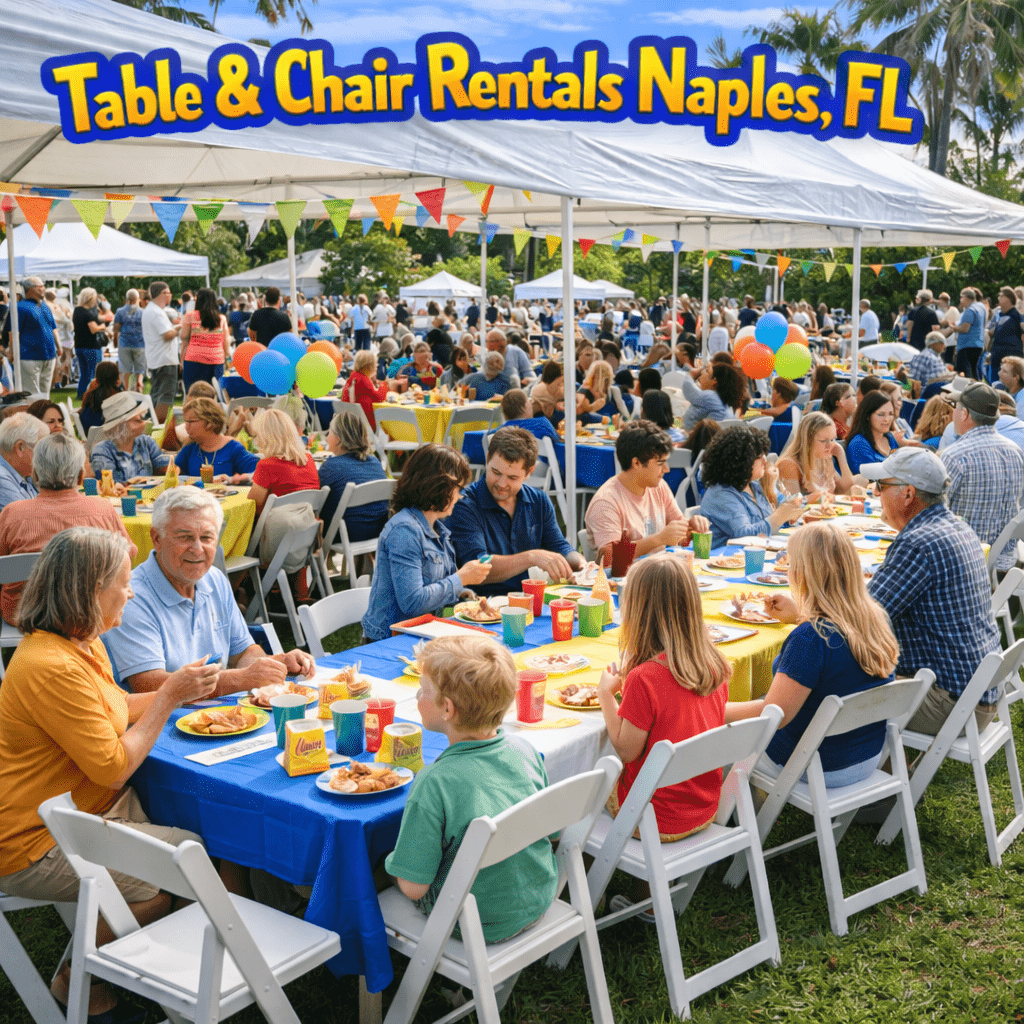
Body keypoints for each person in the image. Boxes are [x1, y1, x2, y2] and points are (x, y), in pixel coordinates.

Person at [0, 527, 222, 1020]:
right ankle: (78, 982)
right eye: (123, 583)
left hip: (82, 809)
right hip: (32, 840)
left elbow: (118, 706)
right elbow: (114, 766)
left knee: (204, 836)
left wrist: (184, 692)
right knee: (179, 869)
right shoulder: (49, 665)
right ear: (89, 591)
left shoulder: (81, 641)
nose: (132, 591)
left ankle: (172, 966)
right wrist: (168, 696)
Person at [385, 635, 557, 940]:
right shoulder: (525, 750)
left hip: (473, 919)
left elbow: (414, 889)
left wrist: (391, 859)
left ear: (448, 709)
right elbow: (552, 834)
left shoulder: (434, 781)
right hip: (537, 899)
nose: (417, 696)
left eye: (423, 690)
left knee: (374, 869)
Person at [724, 523, 899, 786]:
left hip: (816, 764)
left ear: (803, 575)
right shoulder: (874, 618)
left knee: (716, 739)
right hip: (865, 756)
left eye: (791, 564)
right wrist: (800, 616)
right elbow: (836, 646)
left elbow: (774, 715)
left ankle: (726, 811)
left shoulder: (810, 639)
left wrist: (713, 709)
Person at [104, 488, 315, 695]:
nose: (197, 549)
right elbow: (149, 683)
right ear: (156, 538)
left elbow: (243, 652)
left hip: (214, 716)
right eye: (184, 537)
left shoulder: (214, 579)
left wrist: (276, 663)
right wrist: (240, 679)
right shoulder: (132, 597)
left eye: (207, 538)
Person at [863, 448, 1001, 734]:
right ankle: (890, 770)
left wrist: (802, 610)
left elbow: (862, 616)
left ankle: (861, 773)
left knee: (829, 697)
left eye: (881, 485)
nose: (876, 493)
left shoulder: (917, 543)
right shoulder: (956, 526)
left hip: (949, 701)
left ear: (909, 494)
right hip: (977, 691)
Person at [597, 555, 730, 844]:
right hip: (702, 807)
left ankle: (631, 887)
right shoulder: (714, 663)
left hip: (651, 817)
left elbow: (626, 750)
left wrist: (606, 694)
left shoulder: (644, 678)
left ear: (637, 612)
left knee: (585, 783)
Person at [0, 433, 136, 623]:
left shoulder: (11, 514)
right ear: (81, 476)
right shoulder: (102, 509)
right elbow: (128, 553)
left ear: (35, 474)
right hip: (86, 611)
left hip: (24, 614)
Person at [361, 444, 491, 641]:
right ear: (439, 487)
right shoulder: (405, 531)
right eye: (457, 488)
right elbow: (412, 602)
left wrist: (462, 593)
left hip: (422, 633)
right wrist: (461, 578)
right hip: (390, 639)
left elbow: (435, 585)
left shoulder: (438, 529)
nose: (460, 496)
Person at [449, 427, 582, 595]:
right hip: (485, 604)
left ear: (529, 471)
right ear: (488, 458)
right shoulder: (465, 504)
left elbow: (559, 545)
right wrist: (531, 557)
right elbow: (477, 565)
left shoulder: (539, 500)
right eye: (496, 472)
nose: (502, 484)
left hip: (535, 597)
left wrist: (581, 563)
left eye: (512, 478)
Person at [585, 421, 709, 564]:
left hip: (657, 573)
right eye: (660, 463)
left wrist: (692, 527)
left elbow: (680, 537)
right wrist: (659, 539)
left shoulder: (658, 486)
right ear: (636, 463)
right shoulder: (605, 502)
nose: (667, 469)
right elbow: (609, 559)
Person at [940, 381, 1024, 571]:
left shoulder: (955, 455)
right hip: (1006, 562)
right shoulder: (1016, 452)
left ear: (964, 414)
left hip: (961, 562)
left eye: (955, 407)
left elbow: (937, 514)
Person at [700, 425, 805, 548]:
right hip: (727, 559)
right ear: (741, 462)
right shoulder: (721, 494)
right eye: (759, 457)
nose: (765, 461)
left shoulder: (754, 485)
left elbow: (781, 508)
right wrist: (778, 518)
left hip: (756, 555)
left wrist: (790, 513)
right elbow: (743, 535)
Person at [318, 410, 388, 536]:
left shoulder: (330, 467)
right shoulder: (375, 462)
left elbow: (318, 504)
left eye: (330, 432)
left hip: (344, 534)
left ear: (339, 438)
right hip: (377, 531)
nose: (327, 437)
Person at [247, 408, 320, 517]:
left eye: (257, 435)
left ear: (265, 438)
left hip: (275, 531)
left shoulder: (266, 466)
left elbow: (252, 506)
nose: (256, 440)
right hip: (307, 528)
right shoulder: (308, 460)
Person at [90, 392, 169, 484]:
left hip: (149, 495)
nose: (143, 423)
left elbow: (165, 468)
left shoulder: (146, 442)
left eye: (141, 419)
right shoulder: (102, 450)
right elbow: (112, 484)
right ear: (120, 426)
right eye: (137, 421)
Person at [175, 397, 259, 482]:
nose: (186, 426)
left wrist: (237, 478)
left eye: (190, 422)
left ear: (209, 423)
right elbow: (172, 472)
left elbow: (259, 472)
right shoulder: (190, 449)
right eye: (185, 421)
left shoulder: (233, 449)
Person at [776, 411, 857, 499]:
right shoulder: (789, 465)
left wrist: (841, 456)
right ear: (807, 441)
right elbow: (793, 505)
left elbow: (846, 490)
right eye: (823, 441)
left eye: (832, 439)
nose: (829, 446)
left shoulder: (823, 458)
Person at [0, 277, 57, 395]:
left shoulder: (45, 306)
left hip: (48, 354)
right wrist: (12, 351)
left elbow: (53, 328)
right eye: (39, 287)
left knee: (45, 391)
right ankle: (32, 413)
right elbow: (13, 332)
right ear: (29, 289)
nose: (43, 289)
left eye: (43, 286)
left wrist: (59, 348)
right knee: (31, 393)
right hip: (29, 355)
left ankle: (43, 412)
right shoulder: (19, 307)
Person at [142, 281, 183, 425]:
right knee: (166, 395)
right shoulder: (156, 312)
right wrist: (179, 328)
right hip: (164, 359)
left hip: (158, 358)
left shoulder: (152, 310)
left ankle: (149, 423)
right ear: (163, 294)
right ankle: (158, 426)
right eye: (169, 292)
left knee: (156, 394)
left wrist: (175, 327)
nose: (171, 295)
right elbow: (167, 334)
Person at [180, 286, 232, 391]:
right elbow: (226, 340)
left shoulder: (190, 315)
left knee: (194, 393)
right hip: (216, 360)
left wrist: (181, 360)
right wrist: (227, 358)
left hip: (194, 359)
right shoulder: (221, 318)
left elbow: (184, 338)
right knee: (214, 393)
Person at [0, 413, 48, 512]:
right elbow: (32, 518)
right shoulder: (2, 479)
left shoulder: (23, 474)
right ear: (20, 448)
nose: (47, 455)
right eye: (43, 449)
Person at [845, 391, 899, 474]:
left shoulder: (890, 438)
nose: (887, 419)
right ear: (867, 416)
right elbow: (870, 478)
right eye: (881, 414)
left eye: (891, 414)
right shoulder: (859, 444)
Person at [680, 363, 746, 429]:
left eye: (707, 371)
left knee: (673, 422)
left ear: (714, 381)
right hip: (708, 436)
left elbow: (688, 388)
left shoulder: (711, 397)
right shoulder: (720, 400)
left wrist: (691, 374)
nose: (702, 373)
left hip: (692, 436)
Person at [340, 349, 390, 430]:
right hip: (366, 427)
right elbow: (380, 397)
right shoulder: (363, 380)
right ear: (369, 366)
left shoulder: (353, 378)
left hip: (352, 426)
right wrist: (384, 385)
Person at [72, 286, 107, 399]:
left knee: (84, 373)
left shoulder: (77, 311)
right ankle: (92, 395)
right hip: (91, 346)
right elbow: (93, 329)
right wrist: (102, 326)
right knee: (93, 373)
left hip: (79, 345)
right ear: (91, 298)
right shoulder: (88, 313)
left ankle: (81, 393)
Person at [945, 287, 987, 379]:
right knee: (973, 370)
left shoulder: (969, 310)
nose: (961, 300)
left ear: (967, 297)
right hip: (978, 344)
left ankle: (969, 390)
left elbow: (964, 329)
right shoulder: (981, 306)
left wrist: (953, 327)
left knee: (964, 371)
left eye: (961, 297)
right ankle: (978, 389)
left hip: (967, 345)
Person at [986, 285, 1024, 384]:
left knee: (1010, 387)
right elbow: (993, 333)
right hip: (996, 356)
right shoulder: (998, 314)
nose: (999, 297)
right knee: (994, 384)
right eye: (999, 295)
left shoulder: (1018, 314)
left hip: (1012, 358)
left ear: (1010, 298)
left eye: (1002, 296)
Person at [113, 288, 146, 392]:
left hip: (124, 343)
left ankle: (126, 390)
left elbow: (116, 328)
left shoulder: (120, 311)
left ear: (127, 299)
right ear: (138, 299)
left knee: (125, 369)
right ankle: (139, 382)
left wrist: (115, 341)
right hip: (140, 344)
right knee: (140, 367)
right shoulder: (143, 312)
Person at [78, 359, 123, 433]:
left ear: (97, 378)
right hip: (112, 438)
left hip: (91, 437)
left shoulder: (90, 396)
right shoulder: (119, 397)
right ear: (116, 378)